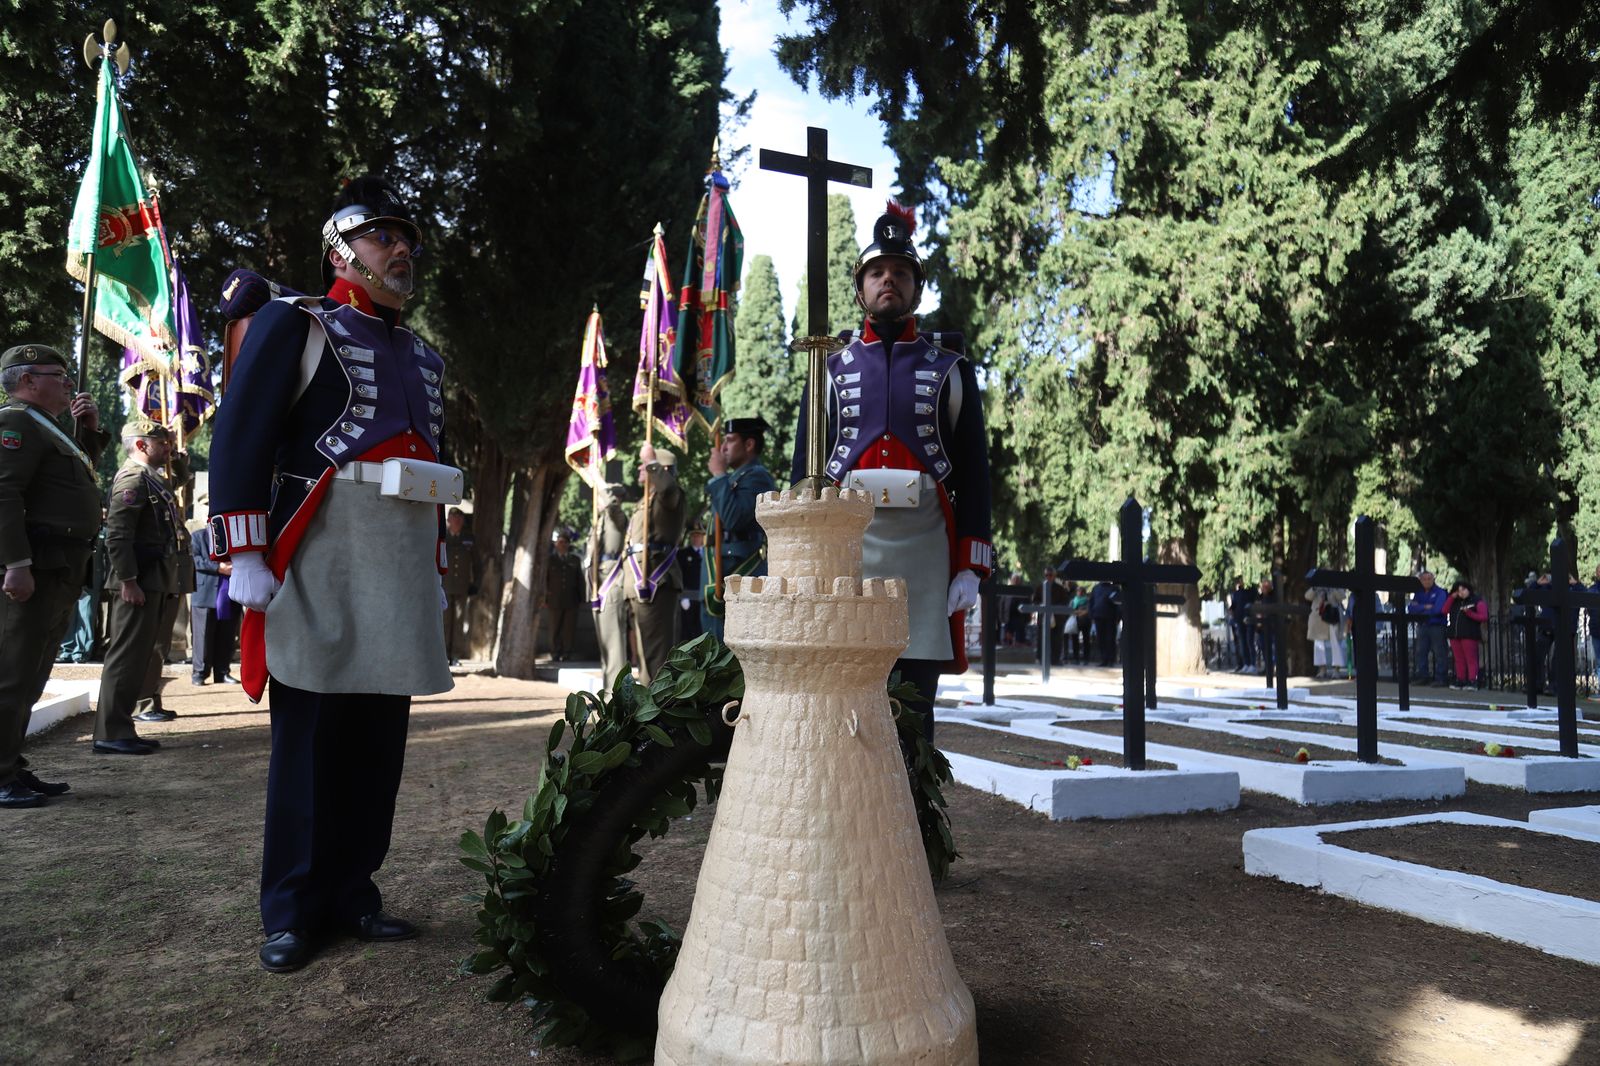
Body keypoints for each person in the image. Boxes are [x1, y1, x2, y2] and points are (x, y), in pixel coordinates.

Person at [208, 175, 454, 973]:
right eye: (384, 236)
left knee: (378, 741)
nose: (401, 249)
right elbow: (242, 433)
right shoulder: (295, 322)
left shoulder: (424, 354)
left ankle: (354, 892)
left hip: (401, 553)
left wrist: (438, 564)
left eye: (407, 238)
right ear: (341, 250)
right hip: (320, 546)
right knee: (308, 739)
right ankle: (290, 909)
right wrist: (243, 547)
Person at [789, 200, 994, 722]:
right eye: (877, 272)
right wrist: (798, 555)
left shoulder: (951, 368)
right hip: (847, 548)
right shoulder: (828, 368)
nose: (889, 281)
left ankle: (915, 806)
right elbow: (803, 472)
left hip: (924, 552)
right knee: (844, 694)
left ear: (915, 288)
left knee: (914, 703)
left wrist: (971, 563)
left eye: (900, 272)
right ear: (861, 288)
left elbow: (973, 470)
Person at [0, 344, 108, 807]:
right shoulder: (15, 422)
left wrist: (88, 432)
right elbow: (4, 495)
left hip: (59, 567)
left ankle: (11, 764)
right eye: (57, 375)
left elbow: (70, 482)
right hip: (36, 566)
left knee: (30, 675)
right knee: (11, 674)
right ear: (27, 380)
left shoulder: (48, 427)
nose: (68, 383)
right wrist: (15, 563)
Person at [95, 419, 184, 749]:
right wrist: (129, 581)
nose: (168, 448)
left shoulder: (153, 479)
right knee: (126, 657)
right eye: (162, 442)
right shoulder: (133, 478)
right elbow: (117, 536)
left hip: (152, 579)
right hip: (138, 581)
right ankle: (110, 732)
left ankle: (120, 728)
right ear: (142, 445)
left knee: (138, 657)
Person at [701, 415, 778, 640]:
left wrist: (718, 476)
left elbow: (734, 518)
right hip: (719, 572)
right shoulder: (735, 477)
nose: (723, 447)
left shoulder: (757, 477)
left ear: (749, 444)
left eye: (730, 440)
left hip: (739, 573)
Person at [623, 443, 685, 683]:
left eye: (647, 464)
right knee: (646, 659)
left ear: (662, 469)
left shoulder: (669, 496)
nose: (641, 467)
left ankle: (659, 716)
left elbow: (669, 490)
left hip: (655, 582)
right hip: (641, 586)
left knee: (657, 660)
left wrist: (652, 463)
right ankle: (649, 712)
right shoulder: (645, 501)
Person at [587, 481, 632, 688]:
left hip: (611, 583)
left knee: (614, 645)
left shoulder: (617, 517)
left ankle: (615, 693)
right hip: (599, 584)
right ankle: (608, 690)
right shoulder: (600, 520)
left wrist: (600, 484)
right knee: (605, 645)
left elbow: (613, 509)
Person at [189, 519, 239, 686]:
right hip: (205, 593)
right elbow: (194, 560)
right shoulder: (197, 537)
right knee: (202, 636)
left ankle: (222, 671)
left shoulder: (233, 539)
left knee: (227, 635)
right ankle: (199, 673)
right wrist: (217, 567)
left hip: (229, 594)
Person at [441, 508, 477, 665]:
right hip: (445, 586)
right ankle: (442, 655)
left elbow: (477, 563)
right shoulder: (442, 536)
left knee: (458, 622)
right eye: (453, 518)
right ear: (448, 520)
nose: (456, 521)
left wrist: (475, 583)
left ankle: (455, 655)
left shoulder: (469, 538)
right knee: (444, 621)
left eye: (459, 519)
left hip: (462, 586)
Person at [543, 527, 584, 662]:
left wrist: (582, 597)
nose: (562, 545)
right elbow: (545, 580)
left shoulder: (575, 560)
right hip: (554, 599)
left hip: (571, 599)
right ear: (556, 544)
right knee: (554, 628)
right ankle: (555, 652)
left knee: (568, 629)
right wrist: (544, 598)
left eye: (565, 543)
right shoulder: (550, 560)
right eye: (560, 542)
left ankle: (567, 652)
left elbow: (580, 580)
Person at [1406, 570, 1450, 686]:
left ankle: (1441, 678)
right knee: (1421, 652)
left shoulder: (1440, 592)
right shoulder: (1419, 593)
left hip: (1437, 625)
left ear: (1433, 579)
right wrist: (1426, 606)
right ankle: (1423, 676)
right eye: (1423, 579)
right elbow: (1411, 608)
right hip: (1422, 625)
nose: (1426, 581)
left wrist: (1420, 608)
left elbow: (1438, 610)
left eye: (1429, 579)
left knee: (1439, 652)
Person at [1444, 580, 1488, 689]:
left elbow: (1483, 616)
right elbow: (1444, 610)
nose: (1461, 593)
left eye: (1463, 590)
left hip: (1469, 634)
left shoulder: (1477, 601)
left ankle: (1473, 680)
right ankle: (1461, 679)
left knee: (1471, 659)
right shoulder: (1455, 602)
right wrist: (1452, 597)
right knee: (1459, 659)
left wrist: (1469, 613)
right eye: (1458, 591)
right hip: (1455, 634)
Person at [1304, 585, 1346, 680]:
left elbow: (1342, 596)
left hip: (1332, 616)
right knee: (1318, 645)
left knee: (1336, 644)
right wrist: (1315, 588)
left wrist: (1333, 588)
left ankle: (1337, 669)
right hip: (1318, 617)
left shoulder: (1335, 586)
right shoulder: (1316, 587)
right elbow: (1307, 596)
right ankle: (1322, 669)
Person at [677, 524, 705, 642]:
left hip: (704, 597)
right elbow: (679, 576)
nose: (696, 538)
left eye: (698, 535)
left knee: (703, 629)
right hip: (688, 598)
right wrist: (682, 597)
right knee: (687, 632)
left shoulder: (709, 553)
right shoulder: (683, 554)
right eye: (693, 535)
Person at [1036, 567, 1068, 666]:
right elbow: (1035, 600)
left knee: (1056, 640)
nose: (1048, 577)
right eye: (1046, 575)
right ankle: (1042, 659)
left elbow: (1065, 602)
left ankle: (1055, 660)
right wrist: (1042, 605)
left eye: (1050, 575)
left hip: (1057, 618)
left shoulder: (1060, 589)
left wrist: (1055, 608)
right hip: (1044, 618)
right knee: (1042, 639)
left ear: (1054, 576)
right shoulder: (1040, 587)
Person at [1226, 577, 1257, 673]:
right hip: (1239, 620)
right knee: (1243, 643)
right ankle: (1246, 663)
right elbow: (1234, 604)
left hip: (1249, 619)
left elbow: (1255, 602)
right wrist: (1231, 610)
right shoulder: (1237, 593)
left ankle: (1253, 664)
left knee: (1249, 641)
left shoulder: (1251, 591)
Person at [1088, 580, 1120, 667]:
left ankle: (1111, 659)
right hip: (1098, 616)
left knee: (1110, 639)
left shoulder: (1114, 588)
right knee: (1101, 639)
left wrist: (1118, 617)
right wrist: (1091, 615)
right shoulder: (1096, 588)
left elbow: (1118, 604)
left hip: (1110, 617)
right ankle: (1104, 659)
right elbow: (1091, 601)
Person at [1254, 577, 1279, 683]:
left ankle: (1276, 667)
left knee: (1274, 649)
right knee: (1264, 649)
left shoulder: (1274, 597)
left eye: (1266, 586)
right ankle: (1268, 667)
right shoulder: (1259, 597)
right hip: (1262, 628)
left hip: (1272, 627)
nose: (1264, 588)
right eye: (1263, 586)